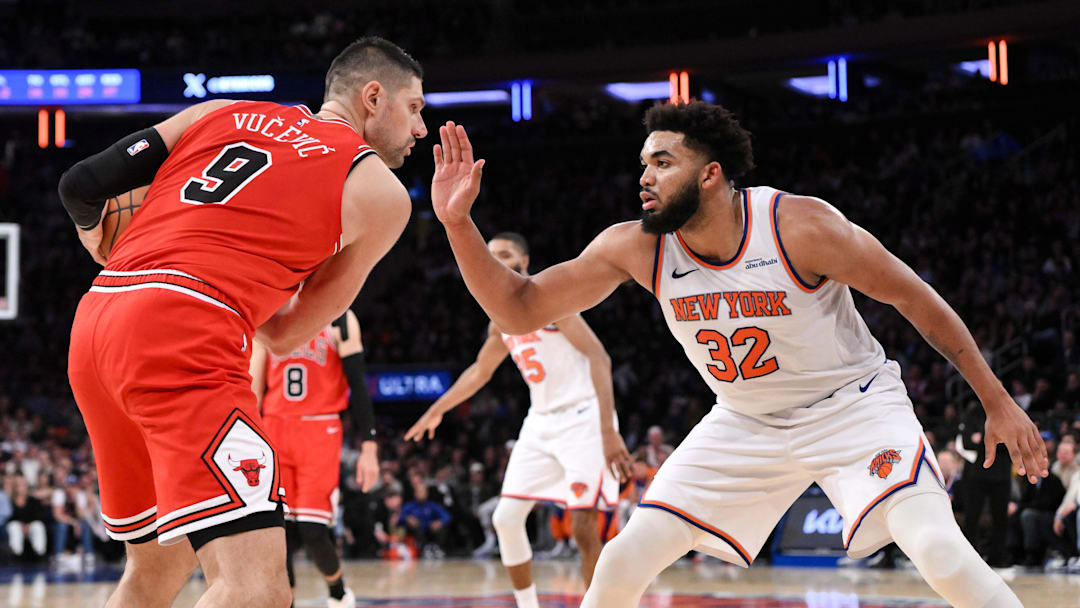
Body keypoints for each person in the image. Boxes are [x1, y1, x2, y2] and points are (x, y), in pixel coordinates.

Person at [426, 102, 1048, 608]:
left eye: (662, 162)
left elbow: (916, 298)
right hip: (745, 419)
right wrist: (458, 225)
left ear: (710, 174)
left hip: (852, 408)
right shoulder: (636, 246)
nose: (644, 177)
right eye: (643, 163)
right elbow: (519, 309)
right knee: (621, 559)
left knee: (940, 553)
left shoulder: (800, 226)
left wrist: (996, 401)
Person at [60, 36, 423, 607]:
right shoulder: (381, 191)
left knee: (157, 569)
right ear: (373, 97)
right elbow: (284, 334)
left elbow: (80, 184)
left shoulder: (220, 112)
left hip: (98, 317)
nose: (420, 128)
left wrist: (97, 240)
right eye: (415, 107)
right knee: (258, 590)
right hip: (187, 331)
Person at [405, 232, 632, 608]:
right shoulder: (500, 321)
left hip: (583, 418)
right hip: (540, 420)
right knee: (506, 518)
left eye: (505, 254)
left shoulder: (551, 302)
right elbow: (479, 372)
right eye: (491, 254)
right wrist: (437, 409)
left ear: (524, 262)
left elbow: (599, 357)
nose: (495, 260)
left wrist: (608, 430)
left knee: (583, 526)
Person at [249, 308, 377, 608]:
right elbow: (253, 390)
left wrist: (369, 446)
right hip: (274, 427)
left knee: (313, 529)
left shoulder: (340, 317)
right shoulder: (267, 314)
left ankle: (338, 592)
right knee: (278, 532)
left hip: (321, 429)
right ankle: (287, 602)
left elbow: (358, 384)